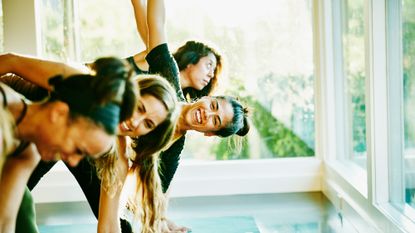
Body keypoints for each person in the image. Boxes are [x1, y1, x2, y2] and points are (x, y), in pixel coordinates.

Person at [0, 52, 179, 232]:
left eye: (148, 124)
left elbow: (109, 226)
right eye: (139, 107)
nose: (135, 121)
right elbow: (11, 62)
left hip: (26, 151)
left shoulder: (116, 155)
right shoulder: (82, 84)